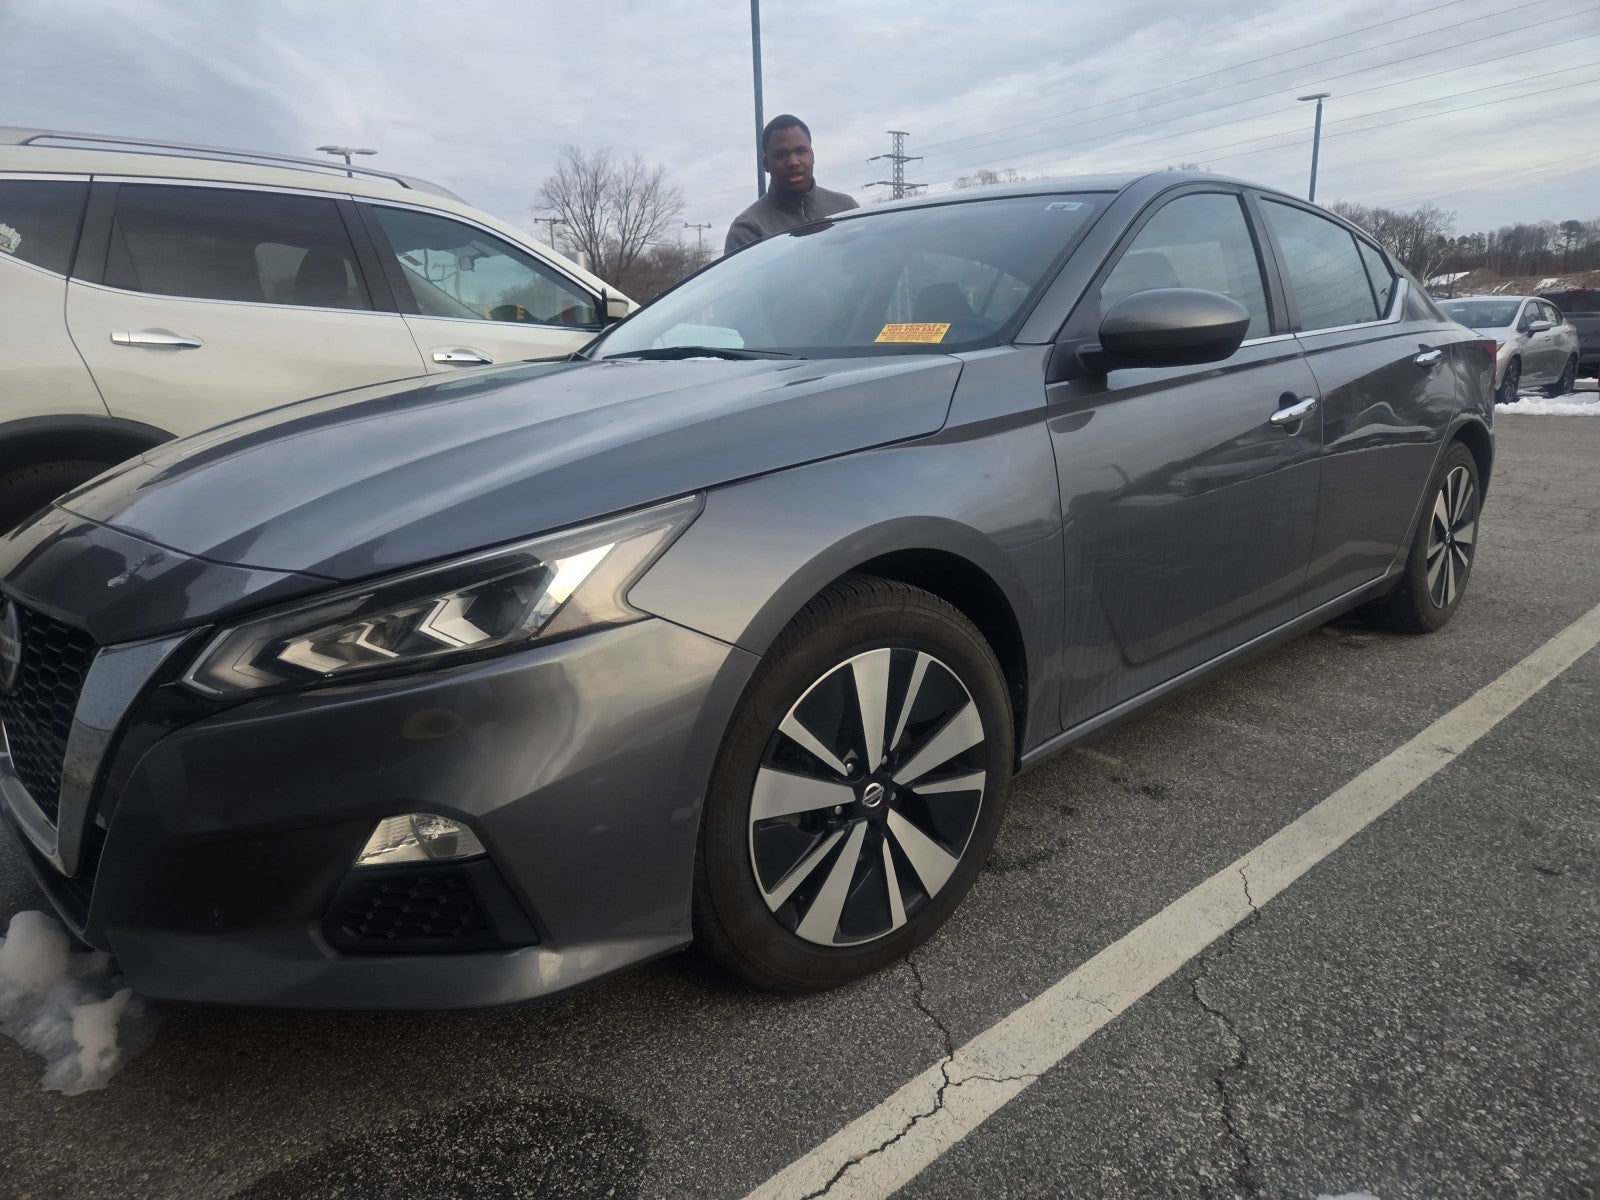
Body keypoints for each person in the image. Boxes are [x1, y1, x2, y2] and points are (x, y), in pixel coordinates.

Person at [724, 115, 859, 255]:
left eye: (801, 151)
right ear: (766, 164)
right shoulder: (749, 229)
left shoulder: (847, 208)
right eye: (781, 155)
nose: (793, 162)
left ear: (812, 155)